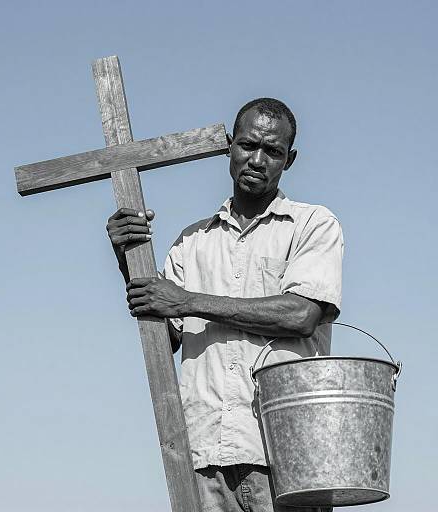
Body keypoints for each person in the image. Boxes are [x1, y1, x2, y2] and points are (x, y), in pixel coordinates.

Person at [106, 98, 343, 512]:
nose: (257, 159)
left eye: (273, 151)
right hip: (203, 456)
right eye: (248, 145)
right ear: (229, 147)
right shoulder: (191, 241)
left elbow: (301, 315)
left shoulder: (312, 225)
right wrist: (129, 258)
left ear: (290, 160)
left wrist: (189, 301)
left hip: (284, 454)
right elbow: (167, 339)